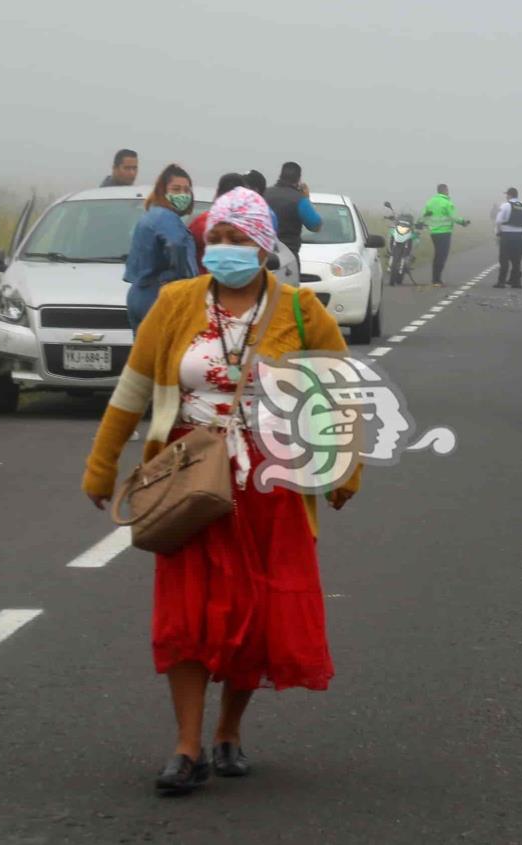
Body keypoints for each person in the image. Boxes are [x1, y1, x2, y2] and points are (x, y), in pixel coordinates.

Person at [82, 187, 360, 795]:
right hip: (187, 483)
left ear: (263, 245)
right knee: (186, 615)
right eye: (218, 239)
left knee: (253, 615)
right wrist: (102, 465)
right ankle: (186, 746)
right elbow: (132, 391)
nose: (226, 250)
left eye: (238, 240)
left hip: (269, 485)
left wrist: (344, 470)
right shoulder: (175, 303)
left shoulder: (301, 310)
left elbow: (339, 392)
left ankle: (229, 731)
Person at [123, 164, 198, 333]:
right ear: (162, 190)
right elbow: (176, 244)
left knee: (144, 356)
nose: (182, 194)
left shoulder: (150, 216)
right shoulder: (166, 217)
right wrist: (182, 279)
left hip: (139, 293)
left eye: (186, 190)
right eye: (176, 189)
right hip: (158, 297)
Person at [264, 162, 322, 263]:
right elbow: (315, 226)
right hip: (289, 256)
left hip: (264, 255)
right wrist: (306, 198)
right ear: (299, 179)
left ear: (280, 175)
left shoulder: (264, 194)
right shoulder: (300, 199)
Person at [421, 184, 470, 287]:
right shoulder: (446, 202)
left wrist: (419, 223)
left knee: (437, 255)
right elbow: (454, 217)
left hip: (433, 233)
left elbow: (424, 214)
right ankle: (437, 280)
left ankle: (435, 279)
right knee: (442, 256)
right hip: (444, 232)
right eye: (447, 190)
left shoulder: (430, 201)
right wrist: (463, 222)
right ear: (445, 190)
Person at [494, 187, 522, 288]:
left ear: (509, 195)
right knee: (516, 260)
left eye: (507, 195)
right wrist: (521, 234)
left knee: (504, 259)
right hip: (518, 236)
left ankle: (501, 282)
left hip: (506, 235)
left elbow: (498, 221)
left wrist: (498, 232)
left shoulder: (505, 205)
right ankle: (516, 282)